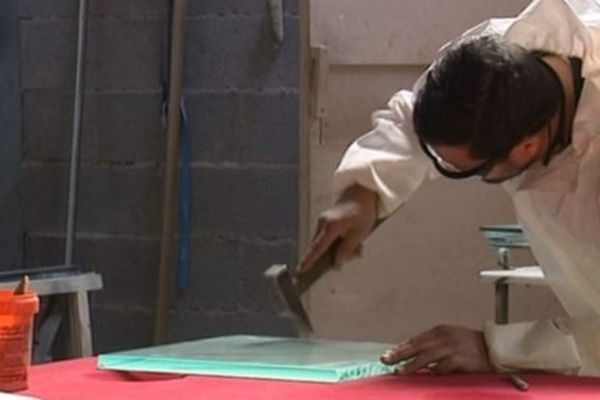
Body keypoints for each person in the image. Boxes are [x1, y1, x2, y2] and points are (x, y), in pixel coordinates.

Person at [299, 0, 600, 376]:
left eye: (470, 170)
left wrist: (499, 349)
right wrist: (364, 191)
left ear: (528, 145)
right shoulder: (503, 59)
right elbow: (419, 117)